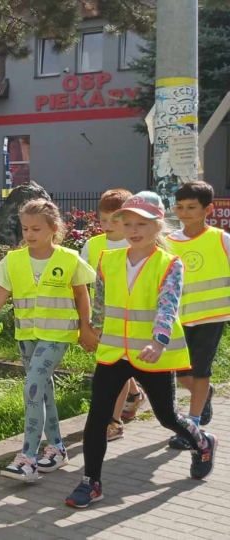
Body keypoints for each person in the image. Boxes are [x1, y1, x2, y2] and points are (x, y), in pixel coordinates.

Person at [66, 191, 217, 509]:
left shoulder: (170, 264)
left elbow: (168, 306)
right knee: (97, 417)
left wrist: (158, 341)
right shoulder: (108, 260)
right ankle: (90, 482)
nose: (133, 230)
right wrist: (92, 328)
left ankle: (202, 442)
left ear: (158, 225)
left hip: (151, 354)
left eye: (142, 224)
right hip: (113, 353)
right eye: (127, 224)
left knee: (167, 417)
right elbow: (101, 301)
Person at [0, 200, 94, 483]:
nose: (29, 234)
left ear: (53, 228)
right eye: (25, 228)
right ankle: (57, 449)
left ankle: (28, 458)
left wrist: (86, 329)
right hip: (26, 335)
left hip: (58, 335)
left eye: (36, 228)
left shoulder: (69, 259)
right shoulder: (14, 260)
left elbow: (82, 296)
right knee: (43, 389)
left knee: (32, 386)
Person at [165, 181, 230, 449]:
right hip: (177, 320)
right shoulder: (167, 242)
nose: (184, 213)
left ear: (208, 209)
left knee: (200, 370)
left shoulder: (222, 239)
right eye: (179, 207)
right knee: (180, 372)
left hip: (211, 318)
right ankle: (204, 395)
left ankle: (191, 427)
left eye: (192, 207)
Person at [80, 188, 143, 442]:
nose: (106, 225)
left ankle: (114, 421)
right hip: (102, 319)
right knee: (115, 366)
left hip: (131, 320)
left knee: (115, 368)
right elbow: (82, 284)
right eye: (102, 219)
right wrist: (86, 322)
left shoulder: (136, 243)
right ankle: (135, 395)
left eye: (113, 220)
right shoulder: (93, 245)